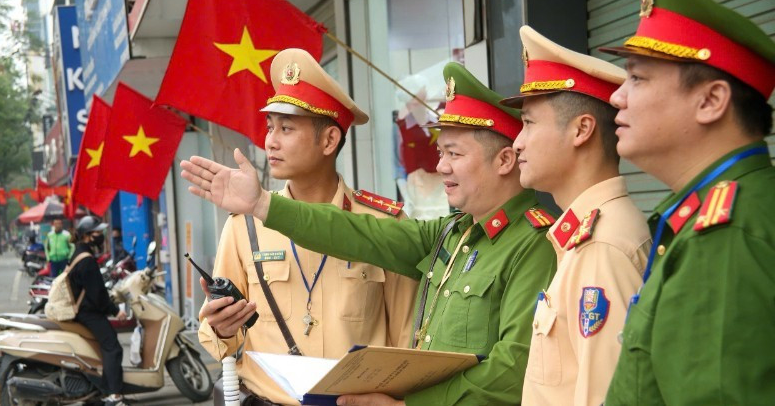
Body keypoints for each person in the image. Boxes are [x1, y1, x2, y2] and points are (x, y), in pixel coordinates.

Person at [182, 62, 559, 405]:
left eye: (453, 154)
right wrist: (264, 206)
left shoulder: (532, 242)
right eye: (440, 152)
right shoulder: (453, 234)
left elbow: (510, 367)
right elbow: (351, 232)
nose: (440, 166)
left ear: (506, 160)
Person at [596, 0, 775, 404]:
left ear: (712, 100)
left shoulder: (725, 234)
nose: (616, 96)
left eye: (637, 78)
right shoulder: (717, 215)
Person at [197, 48, 418, 406]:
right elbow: (216, 335)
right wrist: (222, 329)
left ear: (329, 140)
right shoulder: (245, 227)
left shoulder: (382, 224)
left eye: (286, 128)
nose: (271, 141)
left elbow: (407, 340)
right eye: (270, 127)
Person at [506, 26, 651, 405]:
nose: (517, 142)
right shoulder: (584, 236)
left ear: (581, 130)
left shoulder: (601, 245)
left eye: (529, 123)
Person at [68, 215, 127, 406]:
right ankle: (114, 394)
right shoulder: (87, 261)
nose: (101, 235)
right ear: (87, 236)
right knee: (113, 347)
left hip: (84, 310)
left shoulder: (79, 254)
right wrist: (115, 310)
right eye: (98, 232)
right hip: (89, 313)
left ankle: (104, 389)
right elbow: (97, 294)